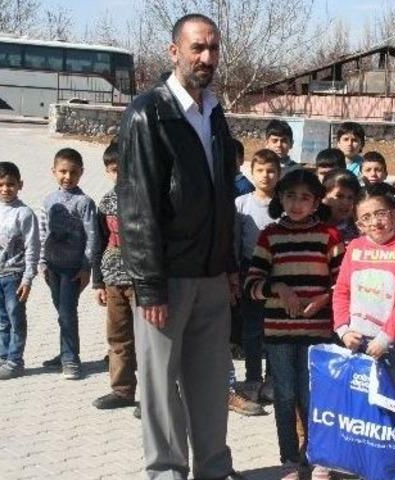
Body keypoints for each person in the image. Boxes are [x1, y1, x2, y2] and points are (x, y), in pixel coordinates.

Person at [116, 13, 244, 480]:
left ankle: (214, 468)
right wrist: (149, 285)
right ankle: (167, 470)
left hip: (211, 275)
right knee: (160, 387)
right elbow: (137, 206)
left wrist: (228, 262)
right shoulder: (148, 113)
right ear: (175, 52)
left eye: (213, 48)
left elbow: (222, 195)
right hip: (167, 279)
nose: (207, 57)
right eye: (197, 48)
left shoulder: (214, 111)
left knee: (210, 386)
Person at [244, 169, 345, 480]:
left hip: (318, 332)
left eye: (305, 198)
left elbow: (342, 283)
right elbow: (253, 284)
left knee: (314, 396)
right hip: (279, 334)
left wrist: (325, 300)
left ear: (316, 202)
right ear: (280, 198)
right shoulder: (269, 235)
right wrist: (278, 288)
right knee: (285, 395)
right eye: (290, 196)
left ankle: (318, 457)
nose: (297, 203)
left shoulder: (329, 236)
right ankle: (289, 459)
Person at [331, 182, 395, 479]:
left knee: (394, 407)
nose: (375, 222)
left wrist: (387, 336)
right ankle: (365, 466)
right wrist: (343, 328)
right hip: (356, 344)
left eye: (381, 213)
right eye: (366, 218)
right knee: (361, 410)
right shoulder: (354, 249)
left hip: (391, 345)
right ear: (358, 223)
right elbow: (341, 291)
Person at [39, 147, 98, 380]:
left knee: (67, 312)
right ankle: (65, 352)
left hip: (74, 269)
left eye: (73, 172)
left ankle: (72, 359)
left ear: (81, 173)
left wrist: (86, 268)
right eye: (62, 171)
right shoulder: (49, 200)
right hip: (52, 267)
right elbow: (43, 232)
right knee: (61, 312)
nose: (67, 177)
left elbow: (92, 236)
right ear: (53, 172)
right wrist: (42, 263)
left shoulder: (84, 202)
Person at [0, 161, 40, 380]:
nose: (6, 189)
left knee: (16, 318)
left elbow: (32, 246)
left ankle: (15, 360)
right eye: (0, 185)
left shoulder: (24, 214)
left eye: (10, 184)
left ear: (20, 185)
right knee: (0, 320)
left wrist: (27, 278)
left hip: (14, 276)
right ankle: (2, 355)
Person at [91, 141, 137, 409]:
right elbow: (99, 242)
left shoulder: (148, 199)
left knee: (148, 340)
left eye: (124, 168)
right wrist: (98, 282)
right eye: (113, 169)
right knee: (118, 337)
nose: (119, 174)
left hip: (141, 282)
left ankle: (156, 395)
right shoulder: (106, 202)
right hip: (112, 279)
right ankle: (122, 390)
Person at [234, 148, 282, 407]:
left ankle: (272, 379)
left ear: (279, 173)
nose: (266, 175)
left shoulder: (284, 206)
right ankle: (252, 378)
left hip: (279, 274)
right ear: (251, 173)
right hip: (250, 272)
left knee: (275, 329)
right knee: (252, 329)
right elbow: (233, 242)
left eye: (271, 170)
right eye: (260, 170)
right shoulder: (241, 204)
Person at [322, 169, 361, 245]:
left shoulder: (358, 228)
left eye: (350, 197)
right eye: (339, 196)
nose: (345, 203)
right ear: (324, 195)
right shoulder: (311, 224)